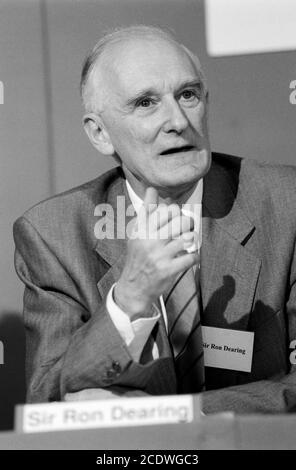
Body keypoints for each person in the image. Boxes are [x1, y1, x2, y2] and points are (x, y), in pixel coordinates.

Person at [13, 25, 296, 413]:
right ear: (100, 134)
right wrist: (129, 299)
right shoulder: (54, 235)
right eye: (146, 103)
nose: (178, 120)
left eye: (188, 95)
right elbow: (50, 400)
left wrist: (173, 418)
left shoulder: (286, 203)